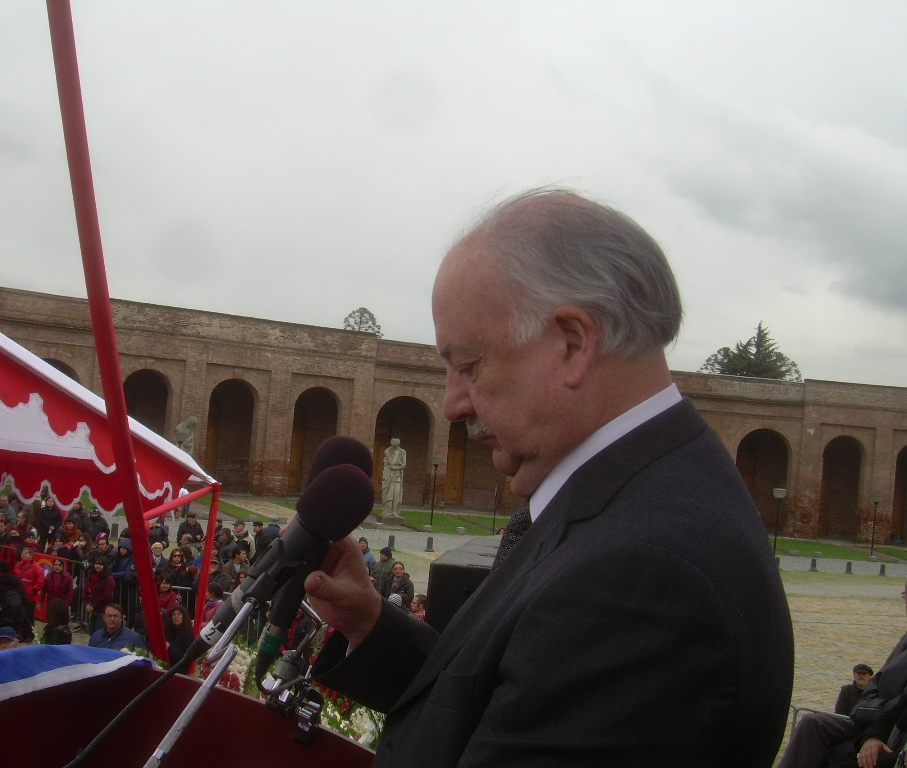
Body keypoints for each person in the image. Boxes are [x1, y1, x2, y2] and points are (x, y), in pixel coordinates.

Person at [303, 188, 794, 767]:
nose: (453, 404)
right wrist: (370, 623)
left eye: (469, 366)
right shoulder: (636, 501)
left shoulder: (642, 576)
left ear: (573, 343)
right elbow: (500, 700)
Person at [779, 586, 907, 768]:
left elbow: (899, 706)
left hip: (886, 723)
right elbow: (876, 682)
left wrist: (873, 724)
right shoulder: (905, 639)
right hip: (868, 714)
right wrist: (866, 708)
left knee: (841, 753)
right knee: (812, 723)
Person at [381, 438, 407, 516]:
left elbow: (404, 464)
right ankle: (388, 510)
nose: (394, 447)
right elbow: (391, 463)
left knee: (396, 492)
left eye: (396, 446)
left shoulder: (403, 451)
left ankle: (395, 511)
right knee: (389, 492)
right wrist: (396, 455)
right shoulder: (387, 451)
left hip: (398, 474)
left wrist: (396, 468)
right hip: (389, 475)